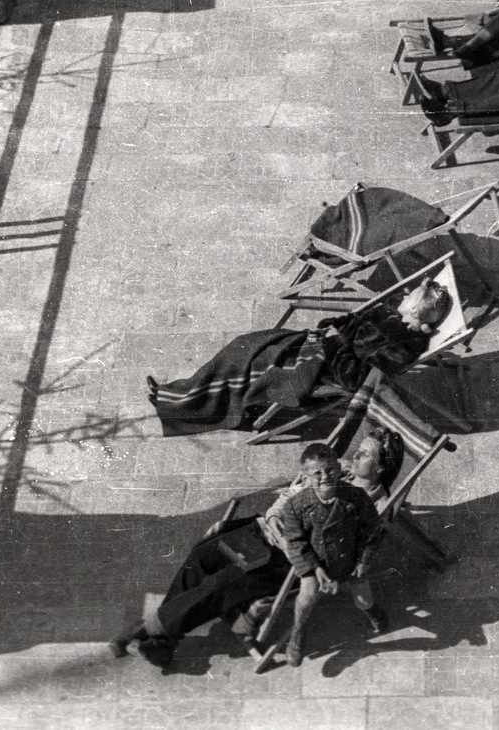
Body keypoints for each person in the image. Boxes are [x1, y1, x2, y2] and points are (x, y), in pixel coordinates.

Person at [109, 442, 389, 670]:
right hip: (263, 531)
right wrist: (276, 516)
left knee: (220, 586)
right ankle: (161, 639)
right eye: (359, 450)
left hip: (285, 561)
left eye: (367, 455)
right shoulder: (332, 464)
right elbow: (287, 497)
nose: (357, 455)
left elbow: (350, 543)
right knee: (202, 557)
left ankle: (150, 629)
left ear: (380, 467)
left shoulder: (370, 499)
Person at [146, 280, 453, 435]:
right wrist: (338, 331)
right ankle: (182, 392)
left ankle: (184, 404)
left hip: (320, 369)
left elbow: (354, 379)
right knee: (245, 345)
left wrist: (339, 340)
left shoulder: (404, 345)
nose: (405, 293)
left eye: (411, 295)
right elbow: (348, 324)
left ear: (417, 310)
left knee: (254, 364)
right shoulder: (389, 313)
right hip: (317, 347)